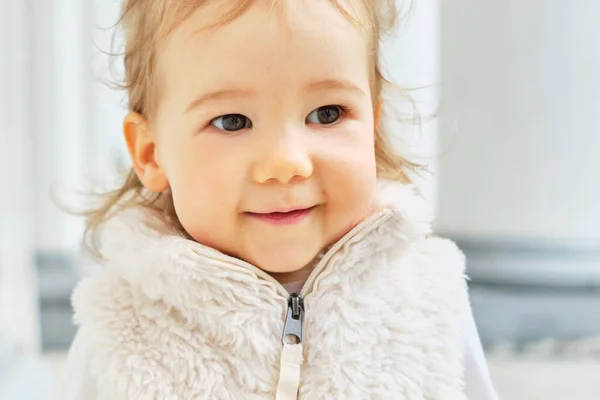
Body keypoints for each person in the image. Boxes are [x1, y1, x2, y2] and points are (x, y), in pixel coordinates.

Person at [61, 0, 498, 398]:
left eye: (327, 114)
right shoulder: (120, 329)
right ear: (150, 153)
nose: (287, 163)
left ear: (373, 124)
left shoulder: (428, 302)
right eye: (232, 121)